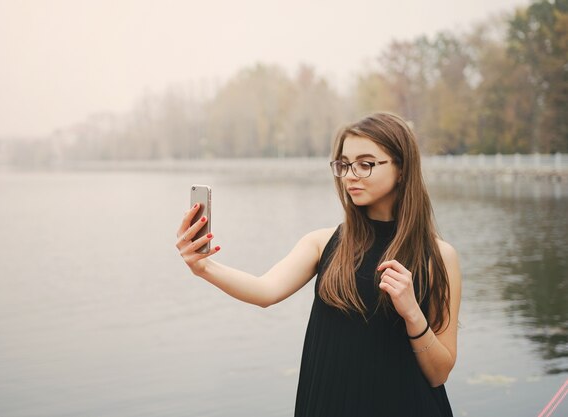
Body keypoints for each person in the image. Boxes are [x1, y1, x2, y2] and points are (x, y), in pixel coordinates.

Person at [175, 112, 461, 417]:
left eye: (366, 164)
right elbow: (264, 291)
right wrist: (204, 267)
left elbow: (439, 373)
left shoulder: (439, 257)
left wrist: (412, 313)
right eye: (344, 164)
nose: (351, 174)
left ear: (402, 169)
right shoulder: (322, 244)